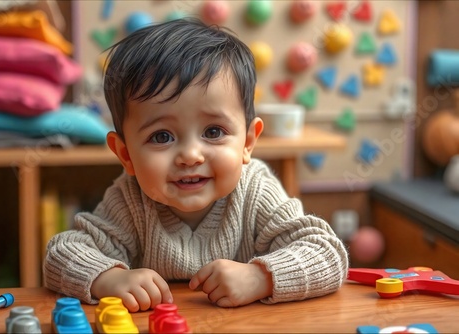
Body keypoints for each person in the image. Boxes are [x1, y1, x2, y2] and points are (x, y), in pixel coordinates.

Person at [44, 18, 348, 312]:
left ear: (247, 143)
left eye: (213, 132)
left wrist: (260, 277)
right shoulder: (130, 200)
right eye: (162, 136)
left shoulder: (255, 188)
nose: (190, 155)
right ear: (125, 155)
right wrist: (108, 279)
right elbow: (59, 255)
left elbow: (327, 253)